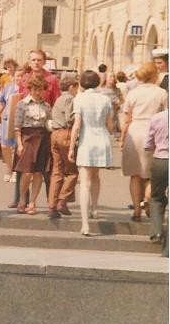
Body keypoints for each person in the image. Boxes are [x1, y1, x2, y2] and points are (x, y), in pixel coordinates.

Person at [68, 71, 113, 235]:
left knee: (85, 182)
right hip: (102, 139)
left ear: (82, 83)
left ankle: (85, 223)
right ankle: (95, 208)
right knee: (96, 176)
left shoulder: (79, 99)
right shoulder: (105, 99)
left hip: (87, 140)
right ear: (97, 82)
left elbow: (77, 125)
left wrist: (72, 147)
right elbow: (110, 126)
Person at [121, 62, 168, 221]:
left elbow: (127, 119)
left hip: (135, 132)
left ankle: (136, 211)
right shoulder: (162, 93)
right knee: (150, 175)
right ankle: (147, 200)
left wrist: (122, 139)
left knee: (135, 175)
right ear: (154, 75)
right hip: (155, 133)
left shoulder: (133, 93)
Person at [13, 75, 52, 215]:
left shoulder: (46, 105)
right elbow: (17, 126)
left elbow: (49, 122)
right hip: (27, 137)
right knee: (27, 172)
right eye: (34, 89)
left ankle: (32, 202)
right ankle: (22, 199)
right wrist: (19, 143)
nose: (37, 92)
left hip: (42, 138)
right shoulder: (22, 104)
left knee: (38, 173)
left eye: (40, 89)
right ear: (29, 89)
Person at [47, 74, 79, 219]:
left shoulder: (59, 98)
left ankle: (52, 205)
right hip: (65, 134)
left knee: (57, 170)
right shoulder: (70, 99)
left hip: (54, 133)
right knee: (72, 171)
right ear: (72, 87)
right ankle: (62, 199)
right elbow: (69, 118)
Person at [144, 108, 168, 253]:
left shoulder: (158, 117)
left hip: (161, 160)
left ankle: (156, 231)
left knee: (157, 198)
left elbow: (148, 144)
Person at [0, 66, 23, 182]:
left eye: (21, 76)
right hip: (7, 119)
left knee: (17, 146)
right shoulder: (7, 87)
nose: (19, 78)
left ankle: (16, 170)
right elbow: (1, 102)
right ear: (14, 76)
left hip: (20, 121)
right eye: (17, 76)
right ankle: (8, 168)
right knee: (5, 146)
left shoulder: (25, 89)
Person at [97, 70, 123, 138]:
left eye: (113, 76)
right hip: (103, 117)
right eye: (111, 76)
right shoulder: (100, 90)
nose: (113, 78)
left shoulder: (117, 90)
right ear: (106, 78)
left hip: (113, 117)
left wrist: (118, 104)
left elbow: (122, 100)